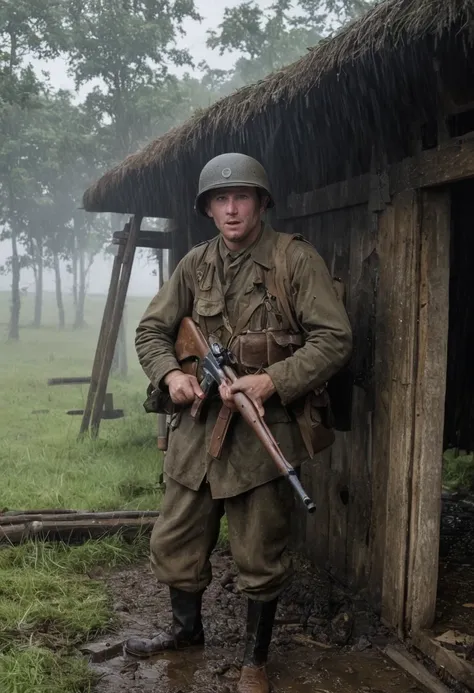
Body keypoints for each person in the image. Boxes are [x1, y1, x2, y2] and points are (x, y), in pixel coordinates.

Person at [126, 153, 352, 693]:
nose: (231, 208)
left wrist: (274, 379)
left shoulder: (294, 261)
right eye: (220, 200)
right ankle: (186, 635)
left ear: (261, 202)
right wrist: (171, 379)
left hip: (260, 432)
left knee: (260, 552)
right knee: (175, 541)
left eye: (241, 197)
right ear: (207, 208)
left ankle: (255, 660)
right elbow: (151, 332)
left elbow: (334, 339)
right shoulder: (194, 264)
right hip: (198, 428)